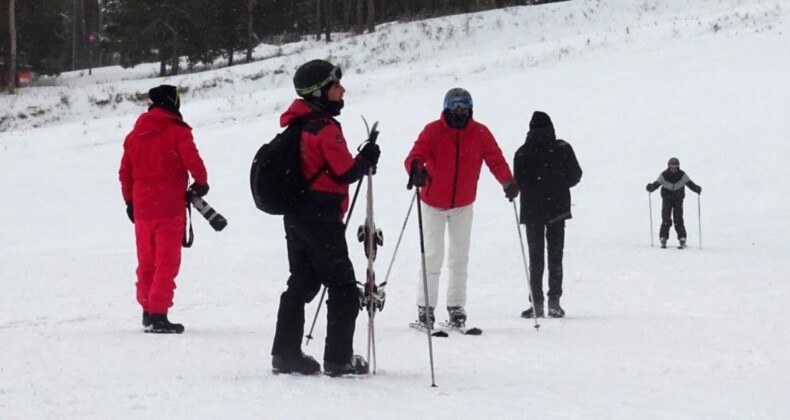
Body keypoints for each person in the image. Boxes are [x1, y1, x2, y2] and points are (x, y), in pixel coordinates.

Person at [270, 59, 380, 376]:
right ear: (320, 92)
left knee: (302, 282)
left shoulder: (299, 123)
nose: (342, 90)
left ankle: (286, 353)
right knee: (344, 287)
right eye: (335, 86)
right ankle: (338, 359)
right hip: (321, 217)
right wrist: (366, 158)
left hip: (296, 215)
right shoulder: (325, 128)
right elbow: (345, 172)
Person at [405, 87, 518, 329]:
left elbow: (495, 158)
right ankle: (426, 307)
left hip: (463, 204)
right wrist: (416, 168)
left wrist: (507, 181)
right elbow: (416, 154)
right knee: (433, 255)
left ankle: (456, 306)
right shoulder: (433, 130)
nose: (460, 112)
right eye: (455, 107)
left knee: (459, 257)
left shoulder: (480, 132)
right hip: (433, 203)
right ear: (446, 108)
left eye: (465, 107)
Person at [119, 85, 209, 334]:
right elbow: (193, 162)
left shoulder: (135, 135)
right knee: (166, 263)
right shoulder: (177, 131)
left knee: (146, 262)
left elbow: (125, 172)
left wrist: (129, 201)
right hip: (169, 208)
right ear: (174, 103)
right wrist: (202, 183)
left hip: (143, 209)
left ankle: (148, 311)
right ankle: (158, 314)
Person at [514, 111, 582, 319]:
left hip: (532, 210)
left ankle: (537, 303)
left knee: (536, 259)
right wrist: (559, 186)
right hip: (557, 209)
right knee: (555, 256)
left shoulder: (523, 152)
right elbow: (576, 175)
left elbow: (519, 181)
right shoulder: (562, 148)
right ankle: (554, 302)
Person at [646, 157, 701, 248]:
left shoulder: (682, 175)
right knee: (666, 218)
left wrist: (696, 189)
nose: (674, 169)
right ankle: (663, 237)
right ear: (669, 167)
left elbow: (689, 183)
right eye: (672, 167)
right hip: (667, 199)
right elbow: (656, 184)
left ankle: (682, 237)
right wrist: (651, 187)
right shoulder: (664, 175)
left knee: (678, 218)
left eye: (676, 167)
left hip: (678, 199)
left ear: (678, 167)